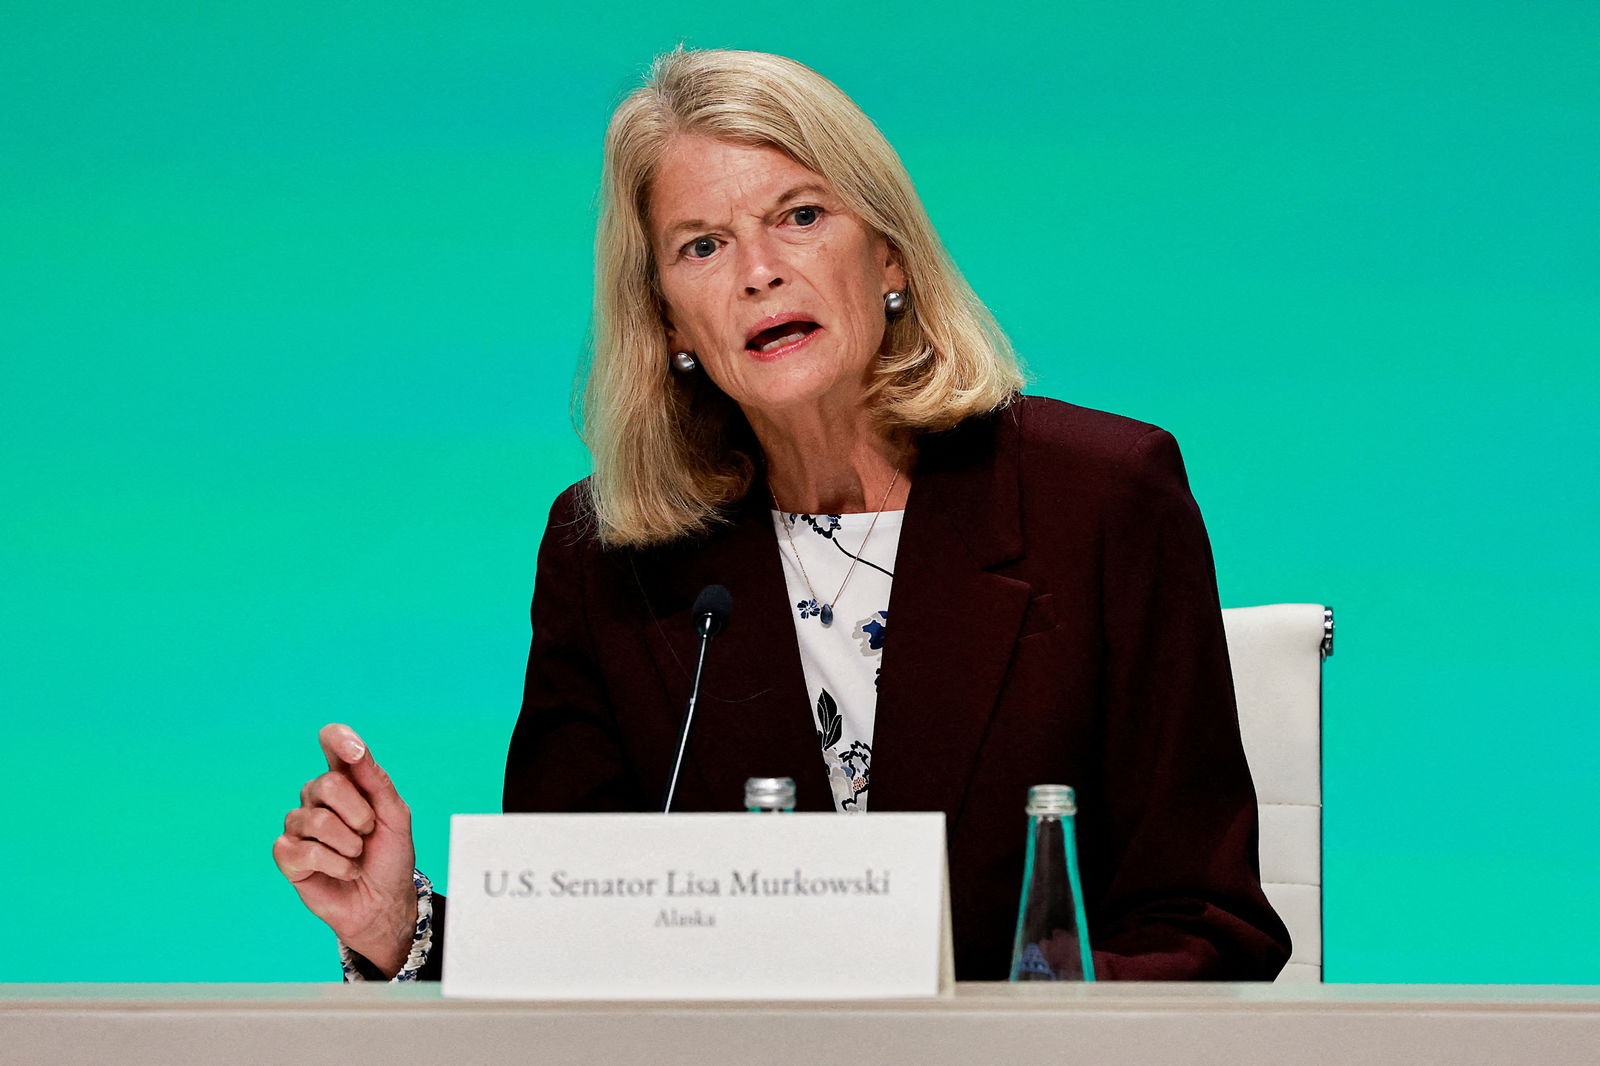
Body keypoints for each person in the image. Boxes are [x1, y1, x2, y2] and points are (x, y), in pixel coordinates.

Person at [273, 48, 1291, 983]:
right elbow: (574, 943)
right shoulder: (614, 556)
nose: (759, 268)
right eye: (703, 244)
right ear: (669, 318)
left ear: (888, 256)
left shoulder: (1103, 498)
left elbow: (1205, 925)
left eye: (800, 215)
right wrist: (396, 926)